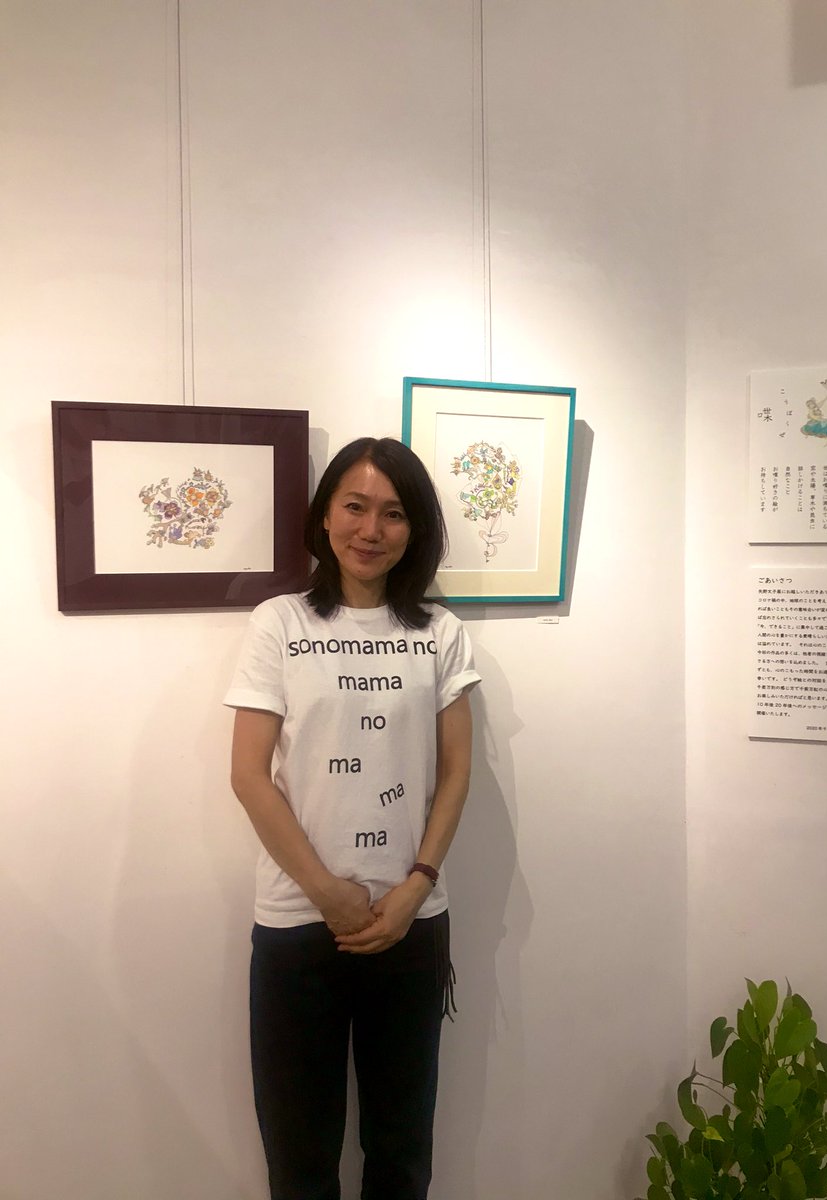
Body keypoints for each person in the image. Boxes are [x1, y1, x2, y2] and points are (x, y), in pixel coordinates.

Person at [225, 436, 481, 1200]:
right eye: (355, 507)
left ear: (416, 528)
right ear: (325, 516)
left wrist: (415, 886)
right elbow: (248, 775)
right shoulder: (280, 623)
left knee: (401, 1156)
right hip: (298, 923)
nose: (371, 530)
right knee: (299, 1159)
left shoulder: (439, 632)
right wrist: (327, 892)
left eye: (393, 513)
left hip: (409, 924)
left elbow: (455, 771)